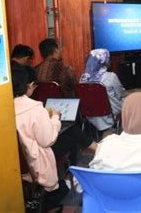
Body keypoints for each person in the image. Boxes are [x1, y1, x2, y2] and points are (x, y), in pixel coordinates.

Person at [13, 66, 96, 209]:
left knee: (71, 133)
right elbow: (47, 140)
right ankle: (81, 166)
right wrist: (55, 118)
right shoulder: (34, 108)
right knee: (71, 133)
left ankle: (74, 173)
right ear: (30, 86)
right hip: (35, 158)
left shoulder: (3, 106)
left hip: (18, 160)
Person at [80, 49, 125, 131]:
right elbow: (120, 94)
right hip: (110, 116)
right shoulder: (111, 76)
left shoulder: (83, 78)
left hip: (90, 116)